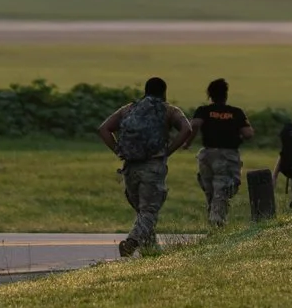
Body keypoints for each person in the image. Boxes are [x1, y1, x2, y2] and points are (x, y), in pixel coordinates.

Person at [98, 78, 195, 255]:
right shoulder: (169, 110)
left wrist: (118, 150)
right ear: (164, 92)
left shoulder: (128, 109)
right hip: (153, 167)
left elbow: (104, 129)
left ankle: (151, 253)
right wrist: (168, 151)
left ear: (145, 91)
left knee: (143, 214)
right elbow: (187, 129)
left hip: (130, 168)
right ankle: (131, 243)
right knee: (149, 211)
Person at [190, 79, 254, 227]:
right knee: (223, 189)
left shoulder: (203, 111)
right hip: (227, 156)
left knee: (211, 193)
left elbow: (194, 125)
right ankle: (217, 223)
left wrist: (187, 142)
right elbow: (248, 133)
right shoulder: (235, 112)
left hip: (207, 155)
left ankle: (214, 225)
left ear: (210, 95)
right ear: (226, 95)